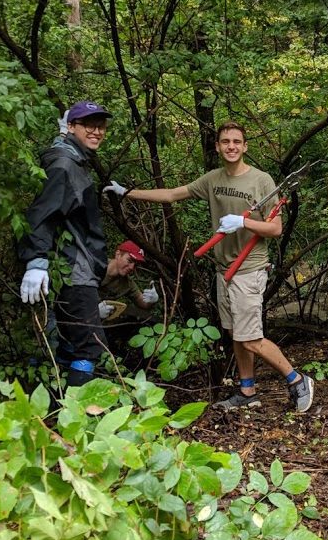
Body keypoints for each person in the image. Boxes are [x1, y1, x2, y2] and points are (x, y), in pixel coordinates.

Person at [103, 121, 315, 412]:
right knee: (234, 334)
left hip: (250, 270)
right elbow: (173, 194)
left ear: (245, 146)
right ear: (217, 146)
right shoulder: (213, 179)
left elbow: (275, 228)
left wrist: (243, 222)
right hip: (224, 270)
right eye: (225, 141)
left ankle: (298, 380)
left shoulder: (261, 180)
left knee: (250, 337)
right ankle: (247, 391)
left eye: (237, 141)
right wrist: (128, 192)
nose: (231, 146)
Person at [19, 100, 112, 387]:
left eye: (101, 126)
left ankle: (52, 410)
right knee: (89, 346)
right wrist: (36, 261)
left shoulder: (72, 159)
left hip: (73, 267)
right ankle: (75, 420)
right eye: (88, 125)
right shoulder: (64, 164)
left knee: (66, 342)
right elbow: (44, 213)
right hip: (73, 269)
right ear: (71, 126)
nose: (96, 132)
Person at [97, 240, 161, 321]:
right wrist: (93, 310)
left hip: (90, 322)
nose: (131, 267)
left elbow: (143, 303)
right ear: (118, 254)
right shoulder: (95, 264)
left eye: (136, 265)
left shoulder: (127, 284)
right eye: (129, 260)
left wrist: (152, 300)